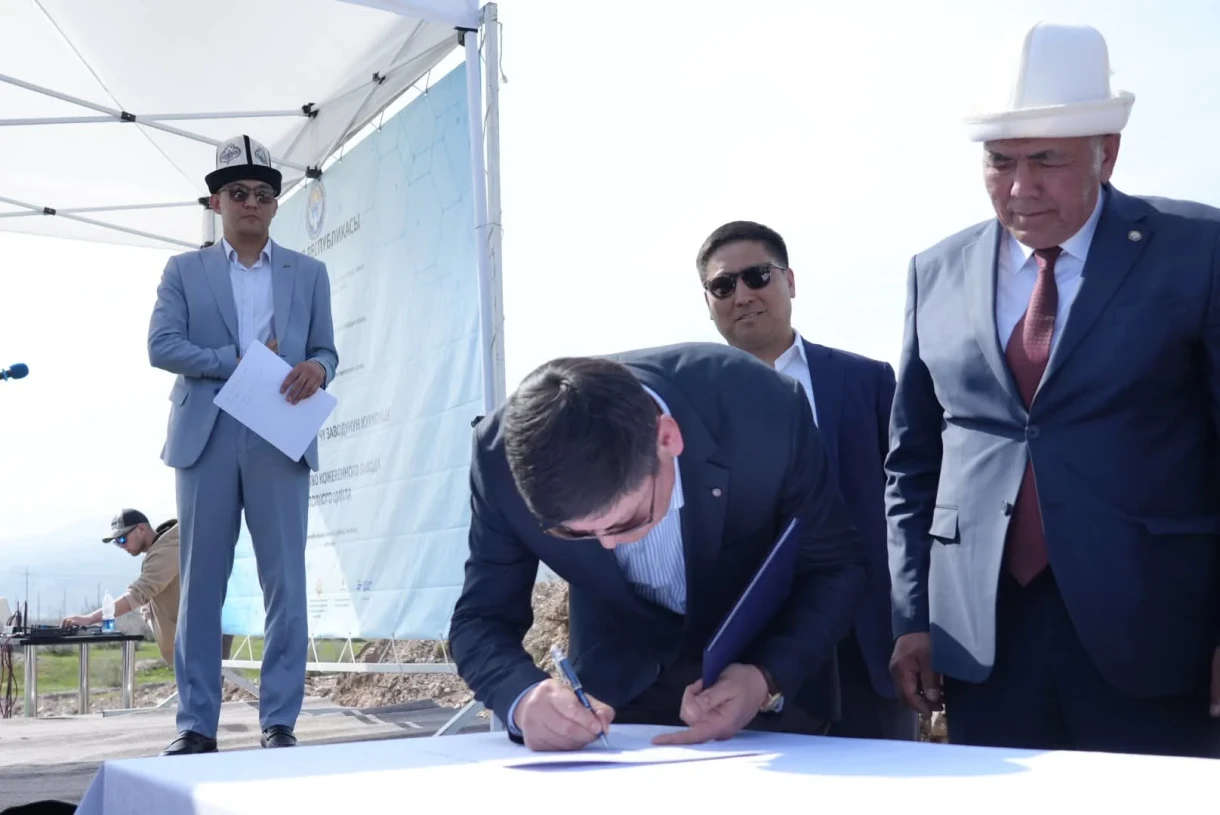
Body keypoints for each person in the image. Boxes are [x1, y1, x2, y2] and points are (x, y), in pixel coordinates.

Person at [886, 21, 1220, 757]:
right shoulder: (933, 273)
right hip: (981, 644)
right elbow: (912, 465)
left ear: (1108, 152)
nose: (1020, 187)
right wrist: (913, 617)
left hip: (1155, 634)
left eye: (1046, 160)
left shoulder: (1199, 251)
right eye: (999, 161)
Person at [450, 343, 868, 751]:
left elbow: (834, 567)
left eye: (628, 520)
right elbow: (480, 618)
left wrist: (765, 676)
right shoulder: (500, 459)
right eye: (576, 534)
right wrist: (523, 698)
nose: (607, 545)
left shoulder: (762, 409)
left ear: (668, 438)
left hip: (762, 685)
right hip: (615, 700)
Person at [148, 135, 338, 755]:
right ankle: (196, 724)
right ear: (216, 202)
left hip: (280, 428)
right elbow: (162, 346)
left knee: (286, 580)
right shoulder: (184, 270)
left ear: (276, 205)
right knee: (202, 582)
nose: (250, 202)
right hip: (206, 433)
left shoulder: (309, 273)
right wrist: (234, 360)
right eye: (237, 193)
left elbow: (327, 349)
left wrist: (318, 368)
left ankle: (279, 719)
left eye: (261, 194)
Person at [696, 221, 916, 742]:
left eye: (757, 276)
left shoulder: (866, 381)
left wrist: (917, 623)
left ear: (789, 281)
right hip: (748, 654)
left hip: (865, 643)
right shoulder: (691, 403)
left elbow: (911, 503)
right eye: (723, 286)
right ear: (708, 302)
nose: (742, 295)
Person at [62, 509, 180, 665]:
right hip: (184, 651)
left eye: (123, 539)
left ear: (141, 529)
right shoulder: (161, 551)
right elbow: (146, 599)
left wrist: (89, 619)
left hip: (195, 649)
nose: (122, 545)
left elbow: (136, 595)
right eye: (117, 542)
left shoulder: (165, 551)